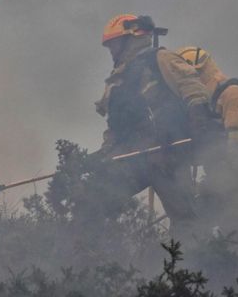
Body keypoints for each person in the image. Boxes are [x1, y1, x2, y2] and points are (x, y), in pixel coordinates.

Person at [94, 14, 219, 238]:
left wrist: (199, 119)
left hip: (167, 155)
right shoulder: (117, 81)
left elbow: (191, 86)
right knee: (96, 203)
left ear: (131, 37)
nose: (111, 51)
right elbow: (114, 126)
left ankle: (198, 266)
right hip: (132, 157)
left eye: (114, 44)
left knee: (187, 222)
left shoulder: (161, 59)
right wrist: (104, 156)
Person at [175, 46, 238, 242]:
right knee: (196, 231)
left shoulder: (233, 94)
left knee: (236, 237)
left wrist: (221, 182)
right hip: (217, 180)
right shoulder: (208, 99)